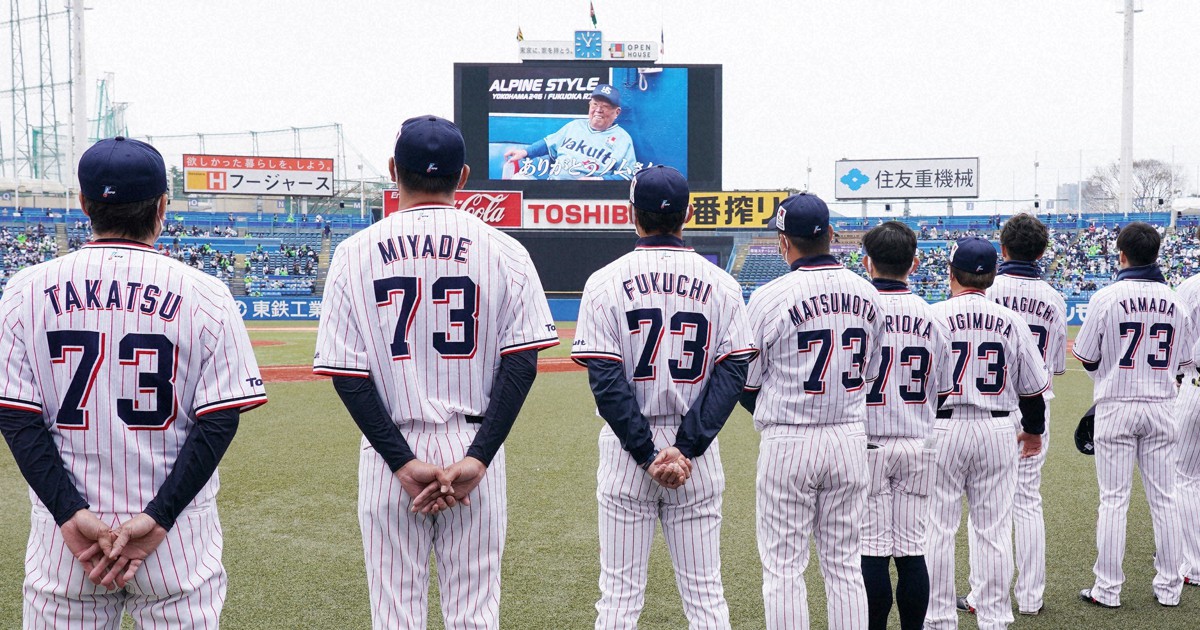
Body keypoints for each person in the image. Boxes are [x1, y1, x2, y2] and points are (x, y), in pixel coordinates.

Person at [0, 136, 267, 627]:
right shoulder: (207, 294)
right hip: (177, 540)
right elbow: (217, 423)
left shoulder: (24, 291)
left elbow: (16, 419)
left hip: (67, 545)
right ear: (163, 206)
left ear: (83, 204)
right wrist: (158, 520)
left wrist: (69, 514)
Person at [313, 115, 558, 630]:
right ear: (463, 176)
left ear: (392, 170)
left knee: (395, 614)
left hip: (388, 453)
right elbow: (522, 364)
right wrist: (477, 459)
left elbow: (348, 375)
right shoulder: (506, 250)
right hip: (475, 446)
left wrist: (402, 464)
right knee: (474, 613)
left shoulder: (354, 253)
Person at [571, 165, 756, 629]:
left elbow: (607, 381)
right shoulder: (724, 285)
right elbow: (733, 372)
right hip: (696, 454)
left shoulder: (604, 281)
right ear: (688, 213)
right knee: (706, 596)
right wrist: (687, 447)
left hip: (627, 453)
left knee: (617, 599)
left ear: (632, 214)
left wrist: (648, 454)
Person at [741, 193, 886, 630]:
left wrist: (772, 406)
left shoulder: (768, 297)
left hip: (789, 437)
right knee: (844, 565)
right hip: (847, 436)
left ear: (784, 242)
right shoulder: (869, 293)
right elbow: (871, 373)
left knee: (785, 568)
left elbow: (746, 383)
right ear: (831, 236)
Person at [924, 236, 1048, 630]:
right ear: (993, 277)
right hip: (997, 428)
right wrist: (1033, 431)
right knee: (993, 529)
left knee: (938, 529)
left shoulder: (933, 315)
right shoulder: (1011, 319)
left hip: (942, 427)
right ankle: (995, 618)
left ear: (950, 273)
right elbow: (1032, 389)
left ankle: (939, 618)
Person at [1073, 222, 1192, 609]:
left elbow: (1088, 355)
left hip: (1117, 404)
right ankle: (1170, 588)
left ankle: (1108, 590)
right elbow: (1185, 362)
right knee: (1165, 499)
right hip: (1161, 405)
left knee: (1113, 500)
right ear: (1156, 254)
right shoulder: (1177, 301)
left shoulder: (1107, 297)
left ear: (1121, 255)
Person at [958, 214, 1067, 617]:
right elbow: (1052, 369)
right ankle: (1031, 597)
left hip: (989, 407)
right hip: (1034, 406)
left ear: (1002, 250)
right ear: (1041, 252)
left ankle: (981, 594)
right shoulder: (1054, 298)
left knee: (984, 506)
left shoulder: (985, 286)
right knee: (1027, 501)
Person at [858, 222, 952, 630]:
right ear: (915, 263)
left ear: (866, 263)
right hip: (917, 440)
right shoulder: (935, 319)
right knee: (913, 553)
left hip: (867, 441)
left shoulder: (857, 312)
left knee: (872, 552)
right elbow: (944, 392)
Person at [503, 83, 637, 180]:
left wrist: (598, 181)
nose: (598, 110)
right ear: (589, 105)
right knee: (517, 180)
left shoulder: (622, 139)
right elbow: (549, 143)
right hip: (553, 189)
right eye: (595, 104)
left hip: (588, 198)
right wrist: (525, 152)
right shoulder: (574, 126)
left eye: (605, 106)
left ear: (617, 112)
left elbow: (628, 175)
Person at [1175, 270, 1200, 588]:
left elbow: (1178, 344)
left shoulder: (1192, 286)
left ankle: (1192, 564)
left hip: (1195, 384)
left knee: (1184, 477)